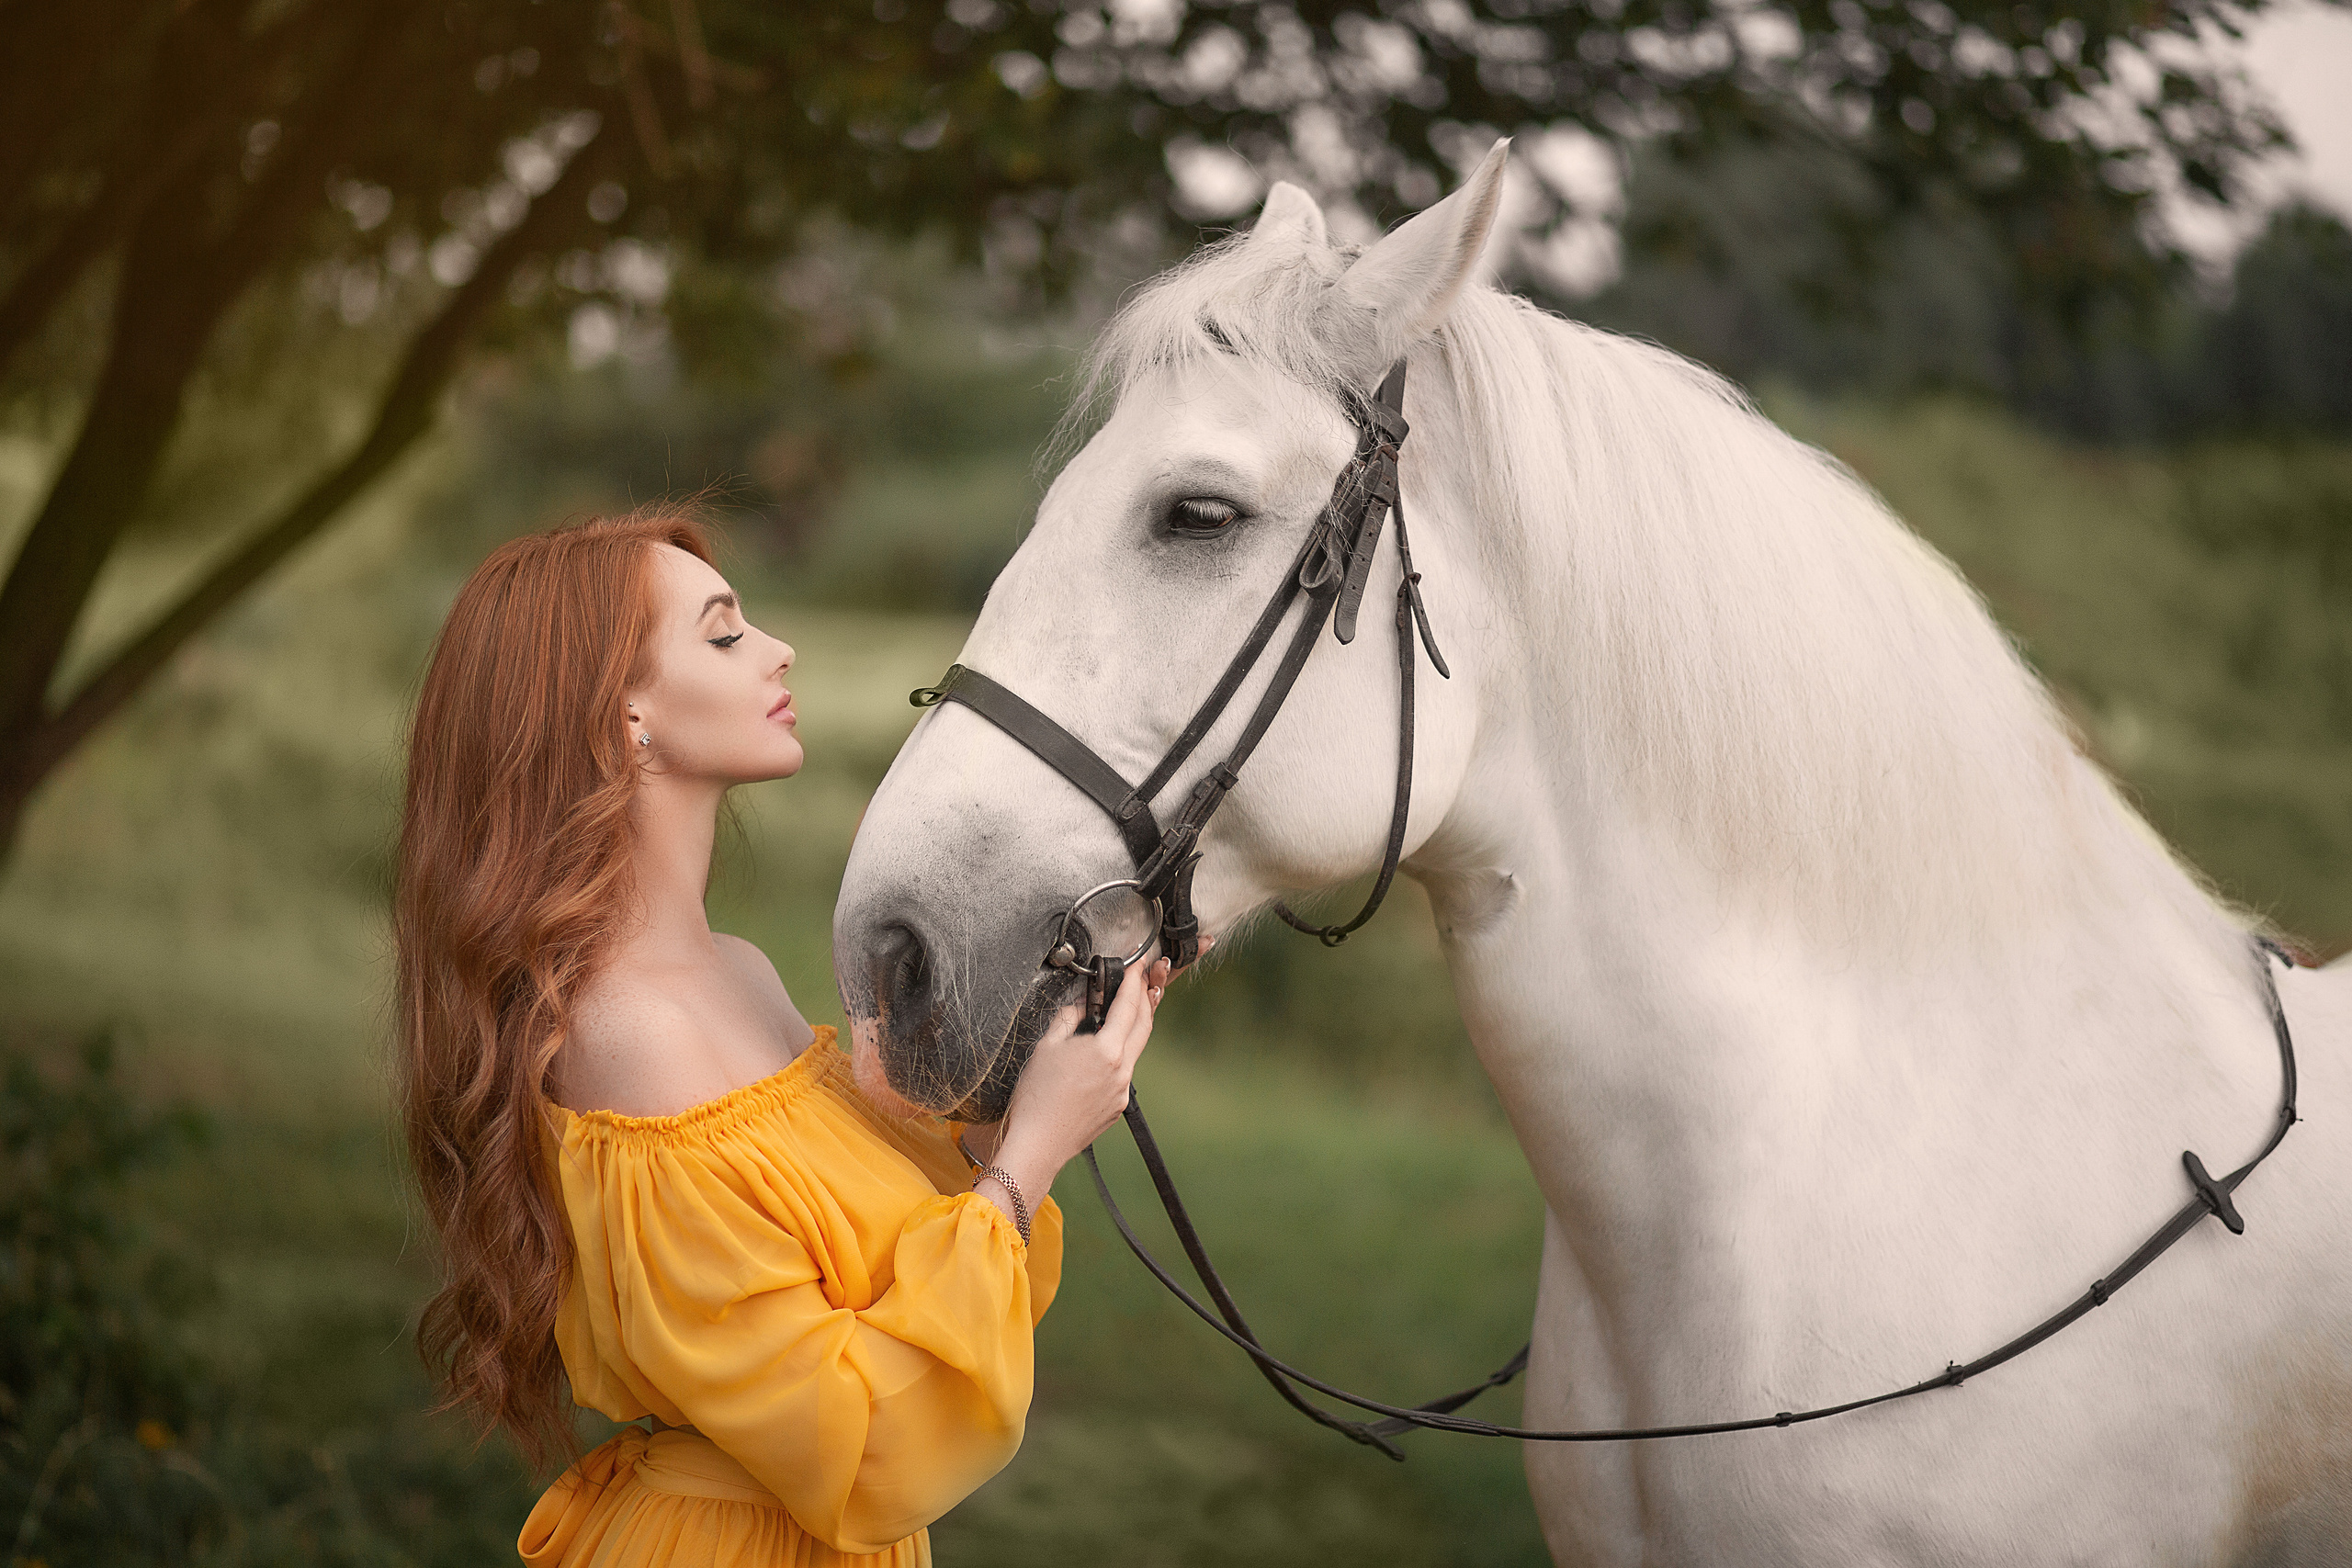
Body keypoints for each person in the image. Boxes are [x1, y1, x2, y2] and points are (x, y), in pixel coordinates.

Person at [394, 510, 1170, 1565]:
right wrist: (1028, 1158)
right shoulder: (630, 1037)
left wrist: (1045, 1086)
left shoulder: (739, 974)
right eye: (723, 635)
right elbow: (863, 1439)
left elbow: (912, 1307)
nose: (778, 649)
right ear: (621, 713)